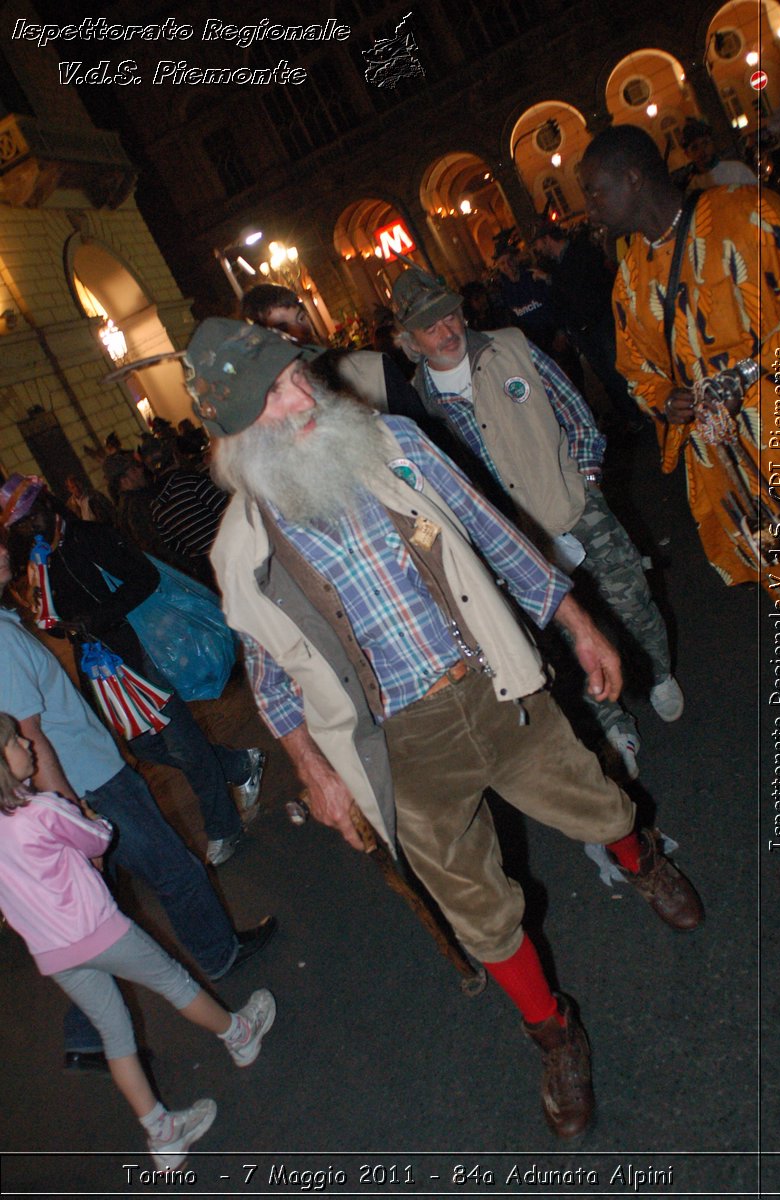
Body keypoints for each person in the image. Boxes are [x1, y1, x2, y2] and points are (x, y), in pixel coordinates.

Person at [184, 317, 703, 1140]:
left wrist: (575, 618)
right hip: (400, 749)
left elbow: (492, 531)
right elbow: (269, 670)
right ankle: (553, 1035)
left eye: (295, 377)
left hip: (496, 687)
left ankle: (644, 866)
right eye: (270, 399)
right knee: (478, 912)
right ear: (233, 438)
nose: (298, 399)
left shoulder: (388, 441)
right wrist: (312, 770)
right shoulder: (236, 556)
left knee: (603, 807)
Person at [392, 265, 683, 779]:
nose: (447, 329)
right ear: (410, 340)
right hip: (517, 545)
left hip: (574, 507)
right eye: (430, 325)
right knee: (569, 638)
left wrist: (584, 484)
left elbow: (576, 416)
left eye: (450, 314)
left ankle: (658, 672)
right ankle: (614, 723)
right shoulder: (419, 404)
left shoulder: (511, 347)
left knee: (629, 599)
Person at [0, 534, 276, 1072]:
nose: (5, 550)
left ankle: (86, 1035)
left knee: (92, 907)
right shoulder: (2, 641)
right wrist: (70, 817)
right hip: (88, 781)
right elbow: (32, 742)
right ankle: (220, 958)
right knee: (173, 871)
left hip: (81, 780)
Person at [0, 713, 276, 1170]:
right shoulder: (42, 811)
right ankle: (240, 1034)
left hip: (53, 952)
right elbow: (98, 841)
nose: (28, 746)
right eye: (15, 742)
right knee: (174, 982)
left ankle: (162, 1133)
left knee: (114, 1031)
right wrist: (92, 818)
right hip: (97, 928)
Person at [579, 124, 780, 616]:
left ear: (632, 178)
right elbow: (635, 369)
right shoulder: (630, 279)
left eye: (594, 192)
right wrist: (666, 401)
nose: (589, 208)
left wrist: (748, 377)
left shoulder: (747, 213)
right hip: (726, 464)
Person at [1, 476, 267, 866]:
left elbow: (145, 577)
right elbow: (53, 613)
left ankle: (224, 828)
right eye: (20, 524)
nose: (29, 527)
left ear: (49, 504)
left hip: (140, 652)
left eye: (32, 516)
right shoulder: (41, 560)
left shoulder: (91, 536)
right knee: (143, 746)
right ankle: (239, 765)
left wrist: (99, 617)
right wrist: (60, 623)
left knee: (182, 742)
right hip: (101, 667)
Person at [240, 282, 434, 430]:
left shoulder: (372, 369)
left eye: (300, 318)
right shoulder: (272, 414)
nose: (298, 332)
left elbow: (426, 434)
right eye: (281, 328)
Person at [530, 222, 644, 431]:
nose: (536, 249)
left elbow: (581, 287)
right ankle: (631, 415)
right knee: (606, 376)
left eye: (537, 243)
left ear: (547, 239)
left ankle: (643, 410)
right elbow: (560, 300)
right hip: (584, 331)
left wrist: (550, 279)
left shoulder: (580, 251)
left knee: (618, 369)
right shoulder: (553, 264)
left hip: (600, 322)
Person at [138, 434, 229, 590]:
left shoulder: (156, 507)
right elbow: (228, 511)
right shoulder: (191, 482)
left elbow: (174, 546)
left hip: (207, 570)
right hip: (230, 554)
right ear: (174, 456)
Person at [679, 117, 757, 191]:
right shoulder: (691, 188)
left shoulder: (737, 170)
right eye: (694, 148)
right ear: (687, 154)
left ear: (712, 143)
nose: (702, 151)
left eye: (705, 143)